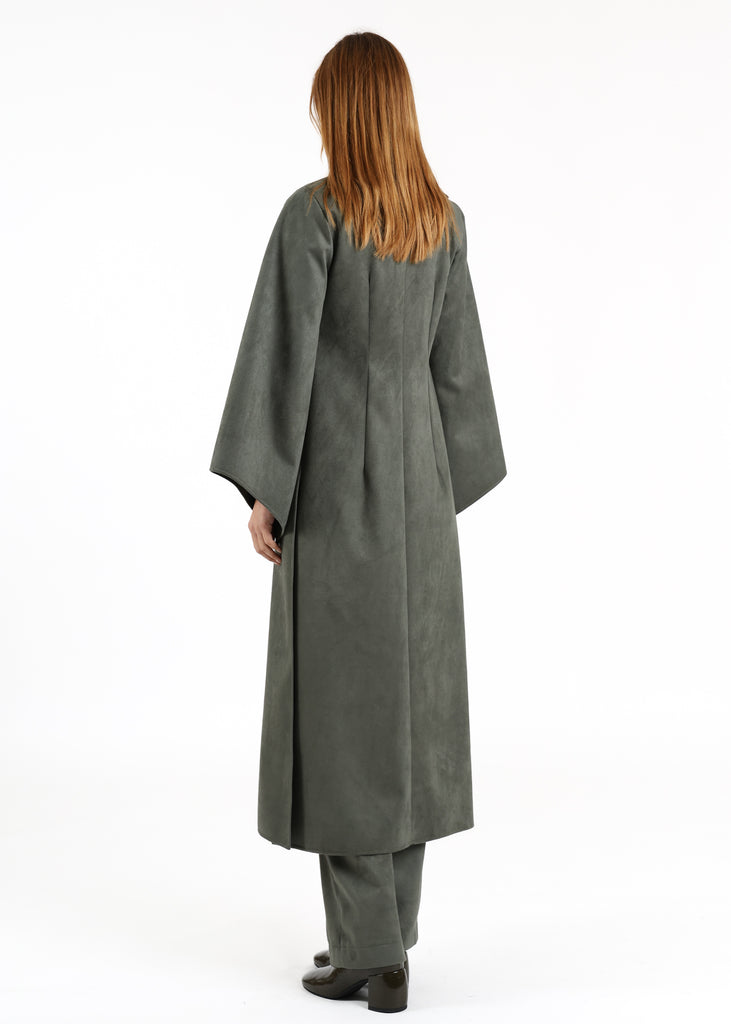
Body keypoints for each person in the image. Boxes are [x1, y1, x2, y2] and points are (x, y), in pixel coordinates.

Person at [209, 30, 507, 1013]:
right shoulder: (442, 223)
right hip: (419, 500)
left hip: (337, 492)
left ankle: (369, 951)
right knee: (404, 719)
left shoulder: (315, 215)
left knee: (340, 721)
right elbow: (459, 378)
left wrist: (265, 488)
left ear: (339, 111)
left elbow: (282, 356)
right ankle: (387, 946)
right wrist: (436, 490)